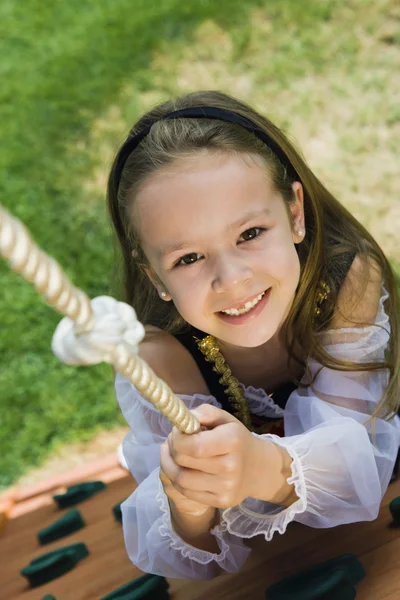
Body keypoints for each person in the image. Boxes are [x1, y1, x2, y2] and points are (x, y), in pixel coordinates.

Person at [106, 90, 400, 580]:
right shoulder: (159, 357)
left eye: (249, 234)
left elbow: (356, 470)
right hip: (279, 556)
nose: (232, 279)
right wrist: (187, 497)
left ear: (295, 213)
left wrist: (261, 467)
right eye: (188, 259)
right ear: (155, 277)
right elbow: (197, 555)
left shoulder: (348, 280)